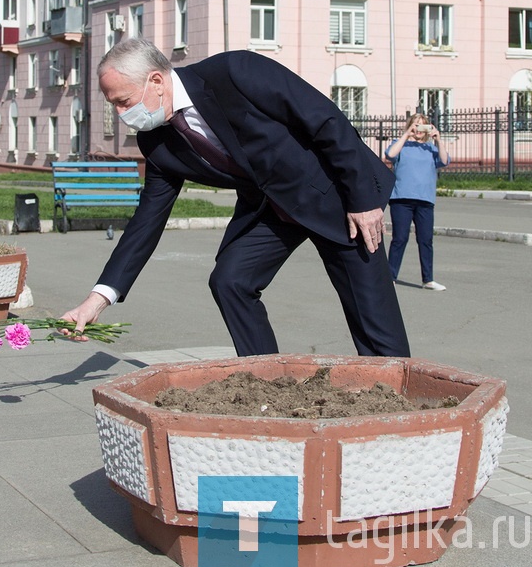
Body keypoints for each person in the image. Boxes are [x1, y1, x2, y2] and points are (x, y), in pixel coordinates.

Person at [60, 39, 410, 357]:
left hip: (337, 196)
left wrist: (363, 201)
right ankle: (265, 378)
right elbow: (147, 220)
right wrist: (99, 298)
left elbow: (325, 120)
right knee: (231, 280)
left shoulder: (235, 72)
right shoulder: (157, 142)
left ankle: (400, 398)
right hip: (272, 209)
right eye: (114, 106)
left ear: (155, 81)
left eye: (124, 101)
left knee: (371, 314)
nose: (122, 115)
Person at [385, 113, 450, 291]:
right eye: (416, 125)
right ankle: (390, 277)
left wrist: (438, 140)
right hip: (401, 200)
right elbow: (390, 155)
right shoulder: (402, 145)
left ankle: (428, 279)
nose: (419, 129)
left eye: (423, 126)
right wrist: (406, 135)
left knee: (426, 240)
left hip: (425, 200)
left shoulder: (431, 148)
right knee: (400, 238)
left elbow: (444, 161)